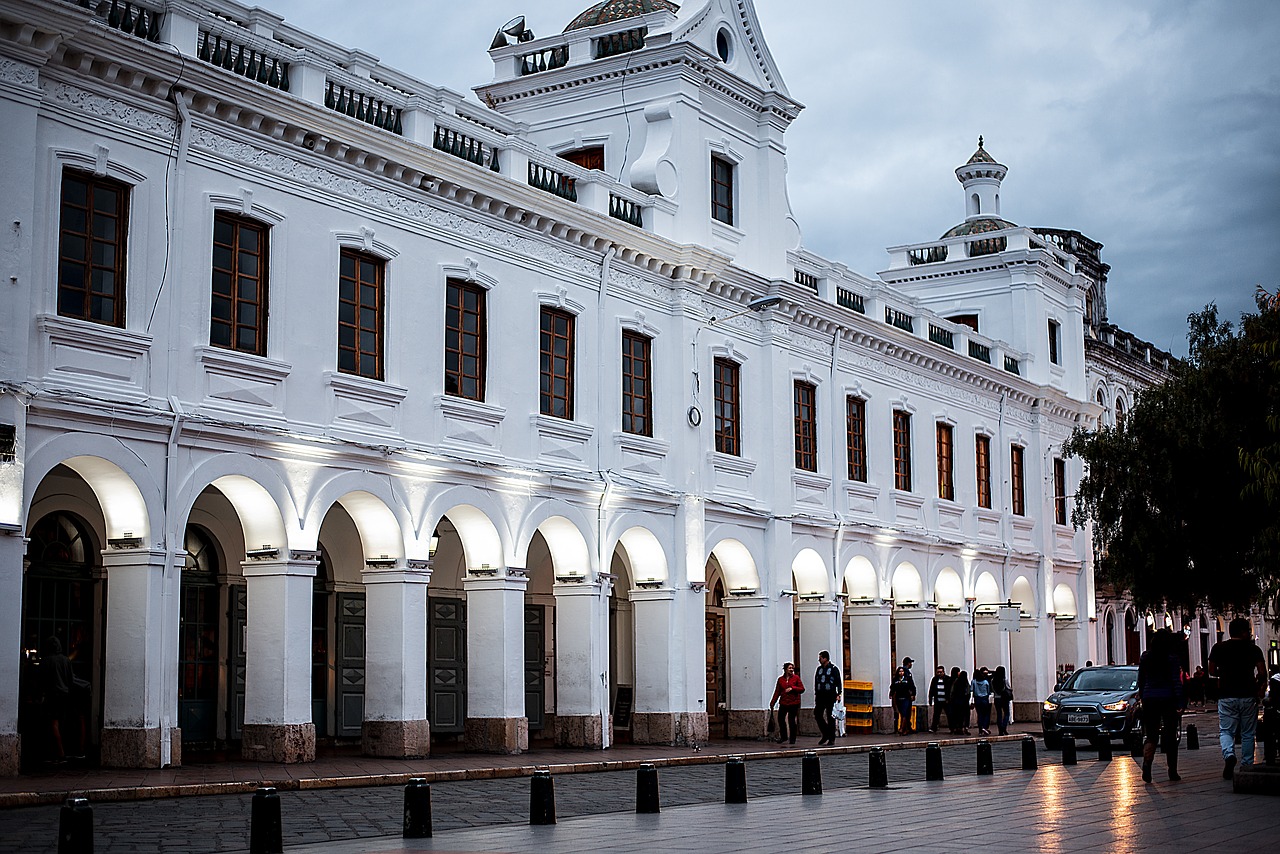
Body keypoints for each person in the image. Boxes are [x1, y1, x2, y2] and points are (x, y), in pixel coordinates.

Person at [1207, 617, 1266, 779]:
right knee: (1248, 733)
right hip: (1248, 694)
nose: (1249, 633)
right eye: (1248, 630)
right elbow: (1262, 672)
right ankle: (1246, 764)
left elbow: (1211, 670)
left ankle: (1229, 755)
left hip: (1227, 694)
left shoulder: (1218, 648)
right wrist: (1258, 685)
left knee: (1226, 730)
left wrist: (1224, 674)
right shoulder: (1253, 649)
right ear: (1242, 632)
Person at [1137, 628, 1185, 782]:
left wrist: (1144, 697)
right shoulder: (1172, 658)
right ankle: (1172, 771)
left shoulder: (1146, 657)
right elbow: (1176, 681)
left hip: (1150, 698)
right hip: (1168, 698)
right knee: (1170, 735)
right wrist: (1180, 702)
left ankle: (1147, 764)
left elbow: (1141, 680)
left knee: (1151, 735)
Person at [39, 636, 74, 764]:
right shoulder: (66, 660)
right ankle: (63, 750)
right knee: (61, 723)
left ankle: (59, 753)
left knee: (52, 723)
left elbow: (41, 681)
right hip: (64, 695)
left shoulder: (45, 661)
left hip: (52, 695)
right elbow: (71, 679)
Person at [769, 662, 805, 745]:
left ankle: (792, 738)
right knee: (781, 719)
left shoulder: (796, 678)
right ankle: (783, 736)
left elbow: (802, 689)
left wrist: (793, 688)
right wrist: (773, 702)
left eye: (792, 668)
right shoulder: (780, 679)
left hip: (794, 702)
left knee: (791, 720)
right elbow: (777, 691)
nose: (791, 670)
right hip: (784, 702)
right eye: (790, 668)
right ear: (785, 670)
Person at [813, 650, 842, 745]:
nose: (819, 660)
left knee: (831, 717)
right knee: (817, 714)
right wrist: (816, 693)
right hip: (820, 695)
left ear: (825, 658)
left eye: (820, 658)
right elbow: (816, 681)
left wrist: (839, 694)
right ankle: (826, 733)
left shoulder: (833, 669)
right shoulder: (819, 669)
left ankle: (831, 738)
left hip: (830, 695)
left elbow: (838, 682)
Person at [889, 666, 914, 736]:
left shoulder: (907, 679)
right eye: (900, 671)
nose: (901, 673)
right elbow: (892, 687)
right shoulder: (895, 680)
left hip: (906, 698)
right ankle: (905, 729)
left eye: (902, 671)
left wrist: (913, 694)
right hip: (898, 698)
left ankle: (901, 728)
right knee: (901, 713)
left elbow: (912, 686)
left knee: (904, 713)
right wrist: (891, 694)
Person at [990, 665, 1013, 736]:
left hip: (997, 698)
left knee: (999, 714)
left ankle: (1000, 729)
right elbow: (1009, 688)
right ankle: (1004, 727)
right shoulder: (1005, 680)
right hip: (1004, 698)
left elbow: (992, 689)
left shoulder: (993, 680)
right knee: (1006, 713)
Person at [948, 668, 971, 735]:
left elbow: (952, 692)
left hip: (956, 702)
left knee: (957, 715)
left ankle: (958, 728)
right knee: (965, 715)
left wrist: (952, 699)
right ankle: (965, 728)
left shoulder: (956, 682)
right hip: (965, 702)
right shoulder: (966, 683)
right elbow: (968, 692)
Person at [927, 666, 950, 733]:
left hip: (946, 700)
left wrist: (949, 699)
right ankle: (934, 727)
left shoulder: (947, 679)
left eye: (941, 672)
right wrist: (930, 699)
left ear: (943, 672)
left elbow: (949, 690)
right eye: (938, 672)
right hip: (938, 700)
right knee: (936, 715)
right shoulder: (934, 679)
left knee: (949, 714)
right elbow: (931, 690)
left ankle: (952, 727)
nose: (939, 674)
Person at [971, 667, 993, 735]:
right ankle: (985, 727)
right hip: (984, 699)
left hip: (977, 699)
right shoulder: (985, 682)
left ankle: (980, 729)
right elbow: (988, 691)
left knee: (979, 714)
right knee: (986, 714)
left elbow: (972, 690)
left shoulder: (973, 681)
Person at [900, 657, 917, 733]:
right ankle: (905, 728)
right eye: (910, 663)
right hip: (906, 695)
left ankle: (906, 727)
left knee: (905, 712)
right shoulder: (906, 672)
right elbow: (910, 684)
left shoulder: (904, 672)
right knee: (906, 712)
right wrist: (913, 693)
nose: (911, 664)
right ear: (908, 663)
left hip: (903, 695)